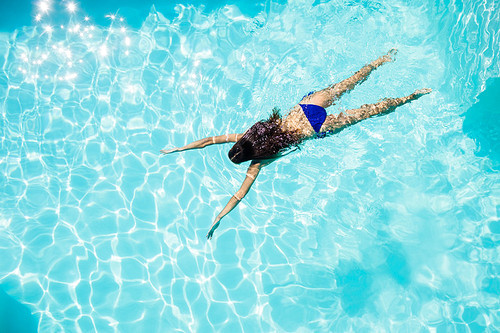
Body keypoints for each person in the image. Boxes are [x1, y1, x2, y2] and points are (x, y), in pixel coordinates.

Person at [161, 49, 431, 239]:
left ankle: (413, 96)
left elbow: (238, 195)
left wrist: (218, 218)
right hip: (307, 107)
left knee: (368, 111)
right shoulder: (249, 133)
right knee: (349, 82)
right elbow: (210, 140)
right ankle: (382, 60)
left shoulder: (258, 162)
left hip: (316, 128)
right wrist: (179, 147)